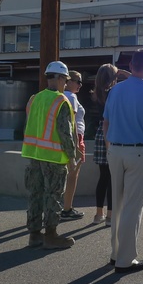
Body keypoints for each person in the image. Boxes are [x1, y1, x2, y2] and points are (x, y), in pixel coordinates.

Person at [103, 49, 143, 273]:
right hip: (138, 153)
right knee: (132, 206)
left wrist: (111, 149)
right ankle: (125, 259)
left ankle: (114, 253)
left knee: (117, 204)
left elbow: (105, 123)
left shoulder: (115, 91)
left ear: (130, 64)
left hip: (115, 150)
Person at [23, 61, 82, 250]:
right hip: (54, 157)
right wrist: (72, 157)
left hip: (34, 154)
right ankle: (51, 235)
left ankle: (34, 235)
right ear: (58, 78)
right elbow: (65, 131)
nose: (66, 83)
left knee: (35, 194)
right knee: (53, 195)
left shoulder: (35, 98)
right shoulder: (60, 101)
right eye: (65, 79)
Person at [91, 64, 118, 225]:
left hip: (100, 134)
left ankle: (98, 214)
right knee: (113, 178)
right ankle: (110, 215)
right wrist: (122, 73)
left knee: (103, 177)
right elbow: (135, 79)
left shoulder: (96, 94)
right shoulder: (114, 93)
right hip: (113, 132)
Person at [60, 70, 87, 221]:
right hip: (76, 137)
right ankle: (67, 208)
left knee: (67, 173)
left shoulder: (62, 96)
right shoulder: (72, 97)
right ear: (68, 81)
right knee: (73, 174)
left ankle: (63, 207)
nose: (80, 85)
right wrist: (77, 144)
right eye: (77, 81)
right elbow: (72, 120)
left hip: (67, 137)